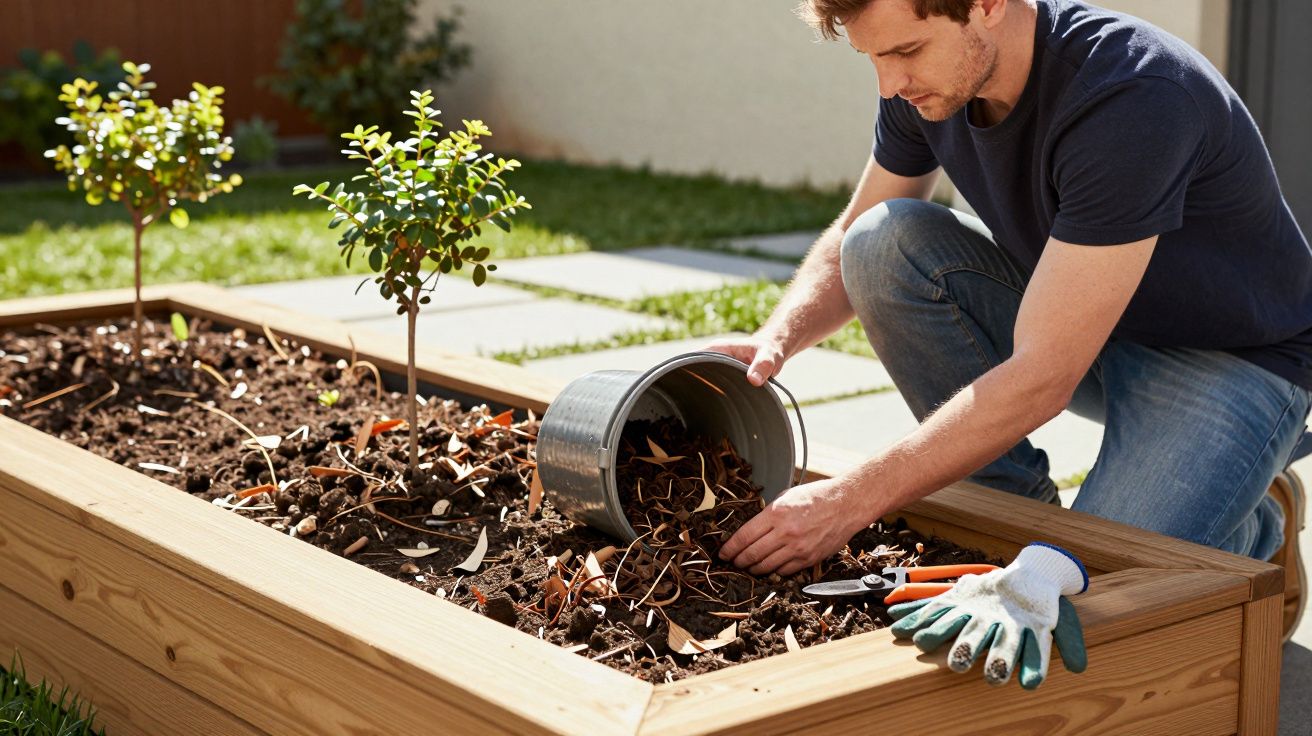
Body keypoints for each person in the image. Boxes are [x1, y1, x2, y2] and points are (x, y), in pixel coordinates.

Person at [708, 0, 1310, 662]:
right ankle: (1014, 516)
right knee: (884, 243)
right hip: (1084, 322)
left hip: (1234, 361)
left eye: (905, 52)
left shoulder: (1134, 95)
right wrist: (776, 337)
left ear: (988, 5)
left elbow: (1042, 377)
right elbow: (858, 226)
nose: (889, 84)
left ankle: (1252, 530)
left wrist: (850, 501)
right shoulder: (928, 85)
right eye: (872, 58)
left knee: (1085, 590)